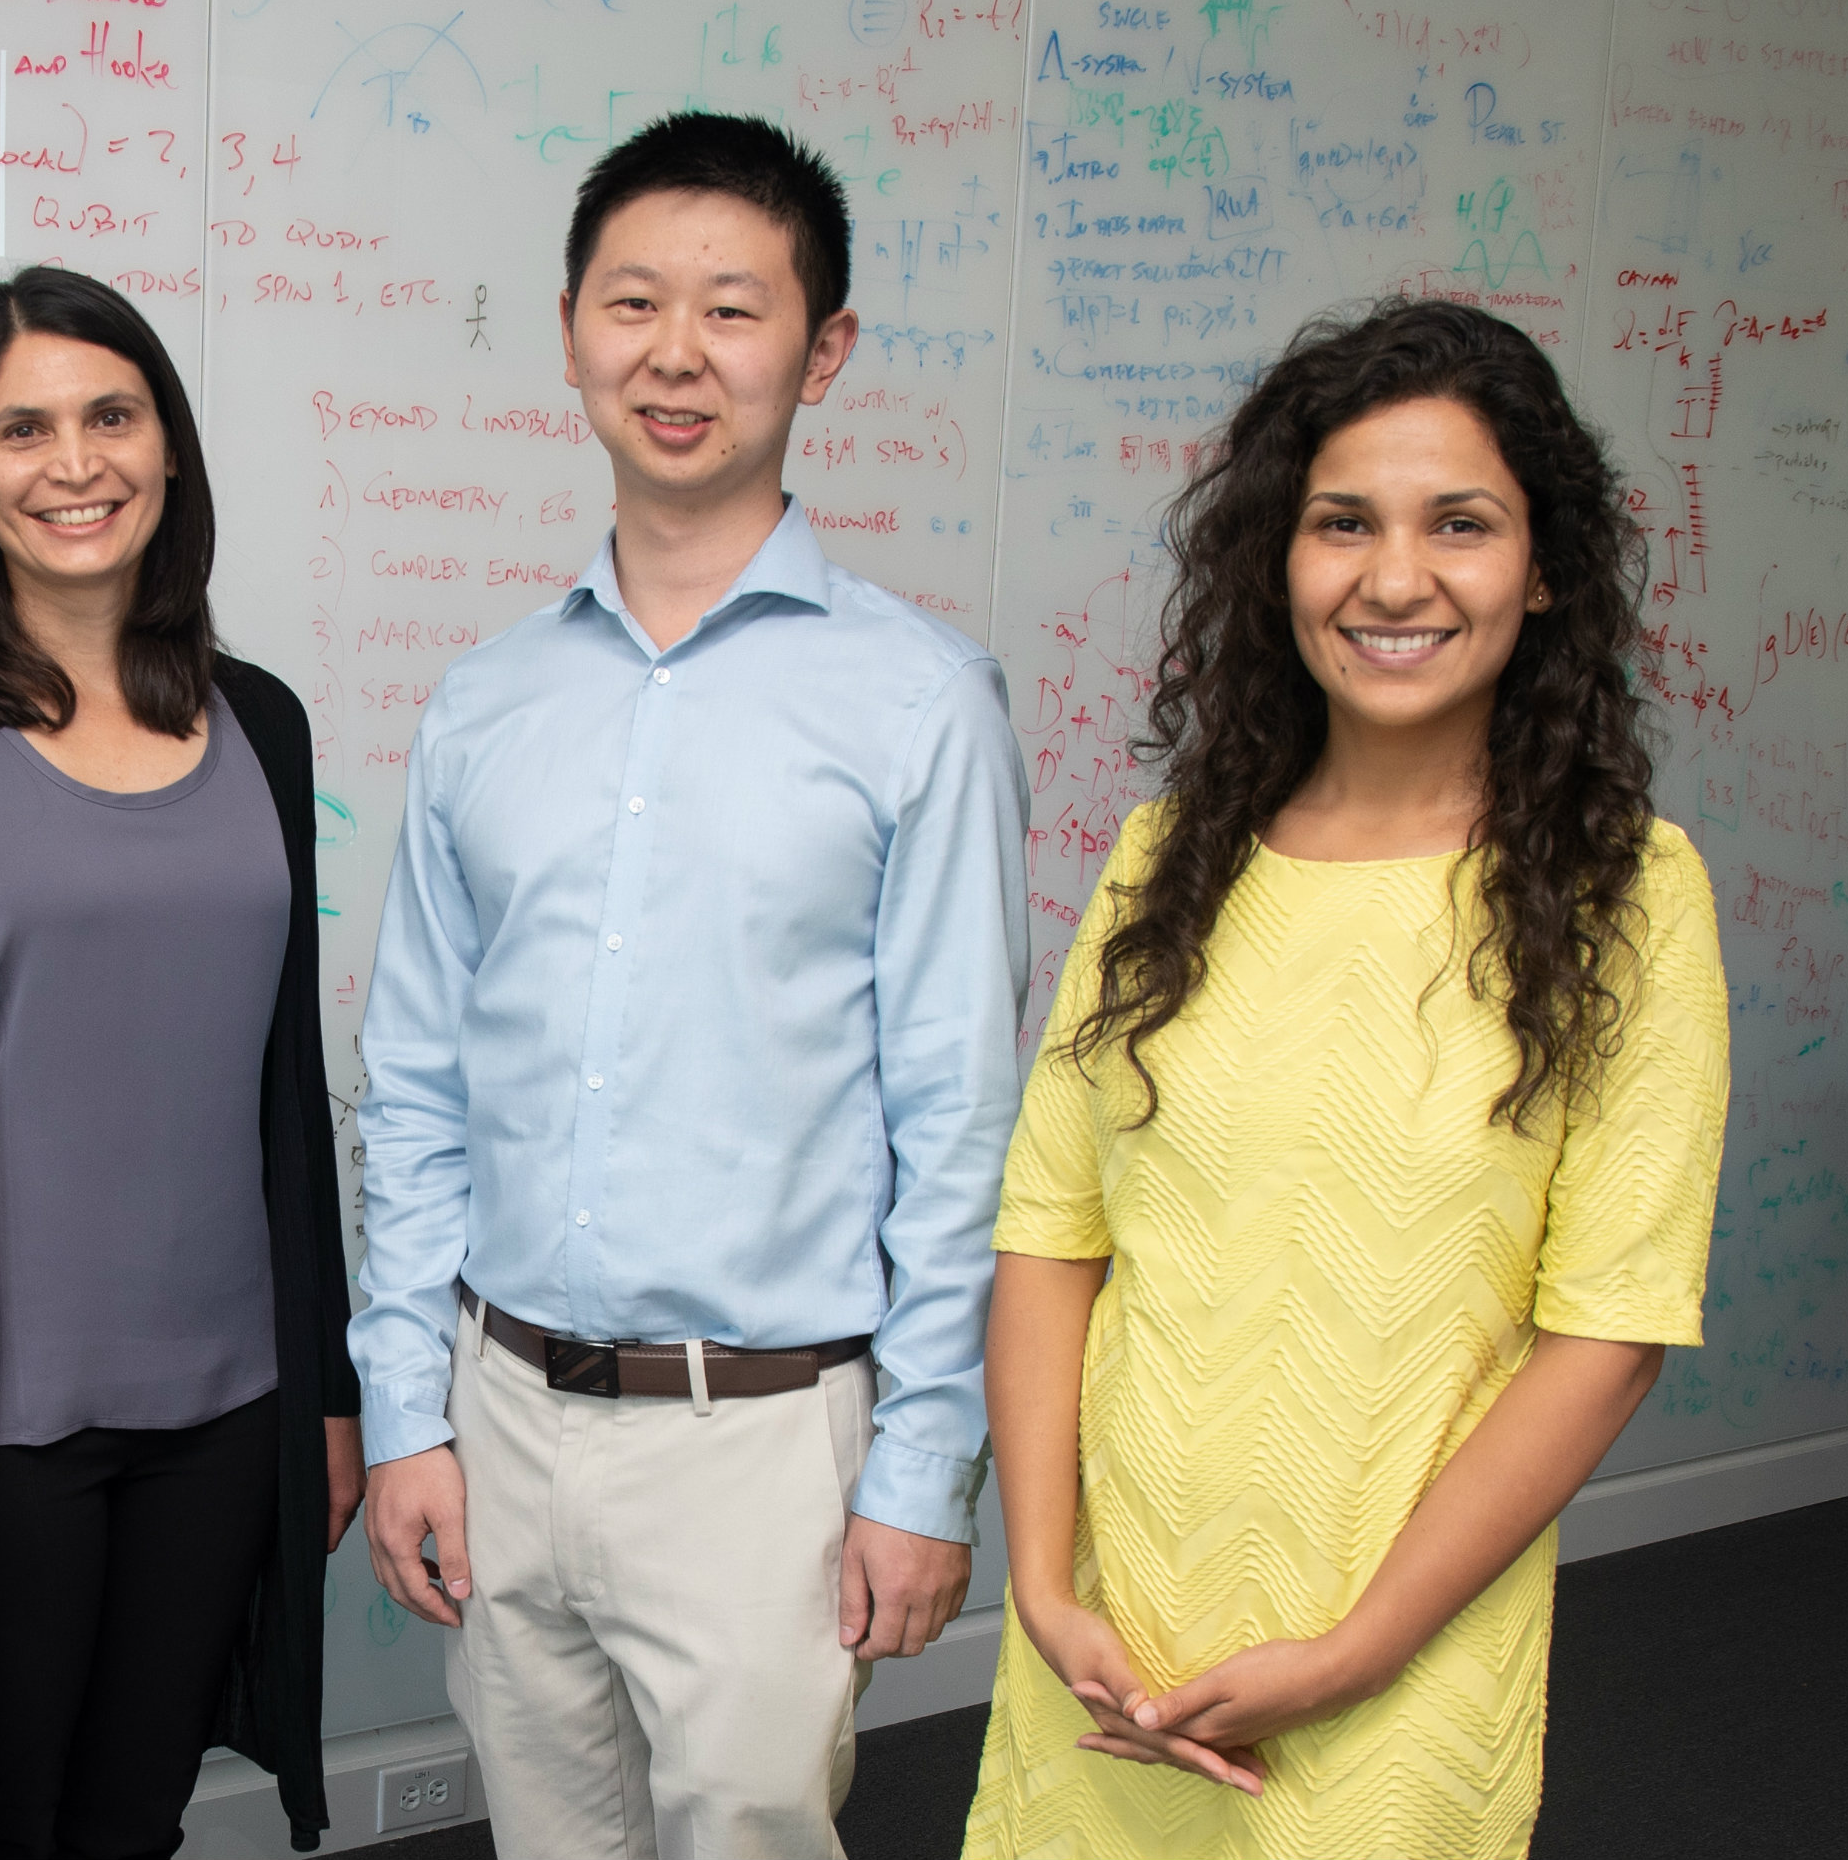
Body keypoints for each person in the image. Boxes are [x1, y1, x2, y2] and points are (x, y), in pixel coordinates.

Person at [961, 298, 1732, 1860]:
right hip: (1107, 1646)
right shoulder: (1167, 862)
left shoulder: (1628, 895)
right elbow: (1050, 1235)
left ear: (1545, 568)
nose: (1395, 577)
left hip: (1393, 1665)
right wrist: (1044, 1587)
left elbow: (1607, 1333)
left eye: (1461, 523)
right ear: (1279, 560)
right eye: (1342, 523)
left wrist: (1357, 1648)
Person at [352, 112, 1031, 1855]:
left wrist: (919, 1471)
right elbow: (417, 1080)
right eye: (633, 301)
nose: (676, 353)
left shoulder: (918, 699)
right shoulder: (485, 702)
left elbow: (961, 1122)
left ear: (826, 349)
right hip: (499, 1412)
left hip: (766, 1443)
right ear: (572, 325)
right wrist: (412, 1412)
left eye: (733, 310)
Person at [0, 266, 361, 1860]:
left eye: (113, 414)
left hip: (230, 1412)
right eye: (21, 427)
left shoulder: (265, 722)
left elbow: (281, 1094)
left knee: (134, 1824)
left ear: (169, 449)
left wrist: (322, 1389)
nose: (76, 460)